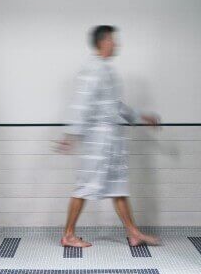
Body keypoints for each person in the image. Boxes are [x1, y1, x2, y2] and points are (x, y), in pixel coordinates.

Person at [55, 25, 162, 248]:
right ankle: (68, 235)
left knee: (118, 187)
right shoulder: (92, 69)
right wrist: (71, 134)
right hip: (97, 142)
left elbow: (114, 105)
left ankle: (133, 233)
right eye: (113, 40)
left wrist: (140, 116)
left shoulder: (106, 70)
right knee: (84, 187)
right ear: (103, 42)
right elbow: (81, 102)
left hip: (111, 142)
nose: (117, 44)